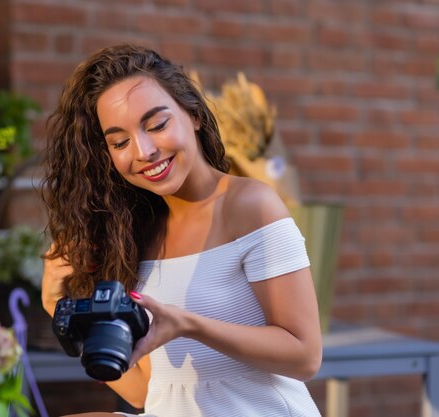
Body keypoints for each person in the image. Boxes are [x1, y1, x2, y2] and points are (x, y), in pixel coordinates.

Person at [41, 44, 322, 417]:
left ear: (193, 115)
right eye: (119, 142)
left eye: (156, 125)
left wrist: (189, 325)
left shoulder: (248, 204)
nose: (143, 151)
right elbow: (144, 390)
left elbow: (305, 356)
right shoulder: (134, 234)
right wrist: (52, 303)